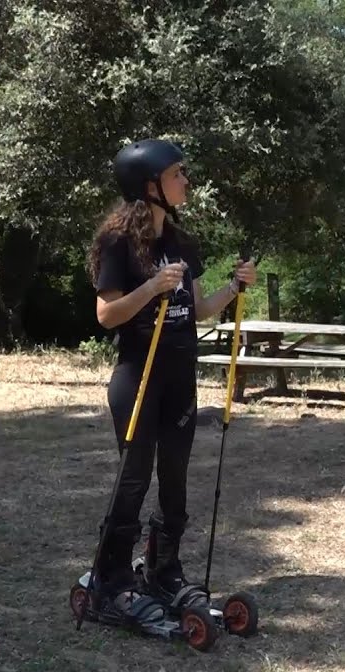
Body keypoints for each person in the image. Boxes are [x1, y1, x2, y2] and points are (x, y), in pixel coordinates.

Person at [84, 138, 256, 627]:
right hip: (138, 377)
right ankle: (111, 581)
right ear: (151, 184)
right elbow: (106, 315)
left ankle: (162, 570)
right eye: (178, 173)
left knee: (175, 479)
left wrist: (234, 287)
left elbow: (197, 309)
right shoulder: (117, 242)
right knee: (134, 478)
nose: (186, 181)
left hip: (181, 374)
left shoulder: (181, 242)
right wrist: (151, 287)